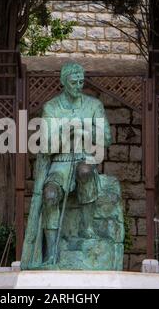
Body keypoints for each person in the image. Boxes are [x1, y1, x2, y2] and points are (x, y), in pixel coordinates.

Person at [21, 62, 117, 270]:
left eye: (81, 82)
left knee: (84, 171)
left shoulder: (93, 105)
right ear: (64, 82)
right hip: (60, 161)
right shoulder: (52, 108)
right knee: (50, 195)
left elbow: (107, 138)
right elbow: (46, 147)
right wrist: (66, 133)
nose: (78, 86)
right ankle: (52, 251)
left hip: (84, 157)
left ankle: (87, 226)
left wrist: (84, 131)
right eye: (74, 82)